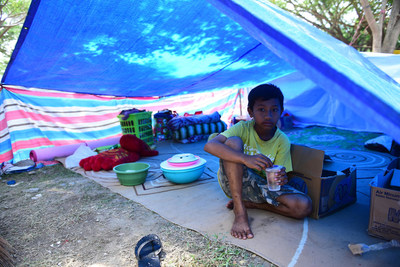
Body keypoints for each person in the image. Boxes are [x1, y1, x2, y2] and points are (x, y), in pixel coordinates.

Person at [204, 83, 312, 240]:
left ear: (281, 111)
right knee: (233, 142)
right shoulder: (243, 128)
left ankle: (253, 205)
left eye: (274, 110)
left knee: (303, 206)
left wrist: (282, 177)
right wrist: (246, 159)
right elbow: (210, 145)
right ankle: (240, 210)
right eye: (261, 109)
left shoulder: (282, 140)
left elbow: (282, 176)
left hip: (262, 187)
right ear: (250, 111)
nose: (268, 115)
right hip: (234, 183)